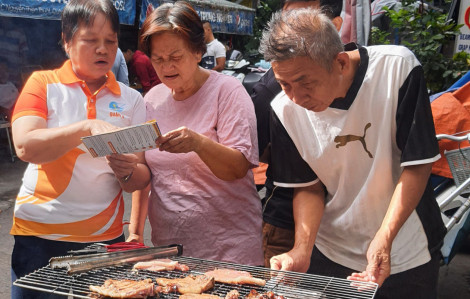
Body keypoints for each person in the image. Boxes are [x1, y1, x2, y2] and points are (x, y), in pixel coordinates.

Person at [258, 8, 446, 298]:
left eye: (305, 83)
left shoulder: (396, 69)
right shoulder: (283, 109)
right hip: (332, 250)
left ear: (341, 62)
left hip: (408, 247)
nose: (295, 97)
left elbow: (417, 164)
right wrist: (301, 250)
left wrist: (384, 238)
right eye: (284, 84)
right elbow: (308, 187)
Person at [9, 1, 150, 298]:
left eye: (110, 41)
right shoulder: (43, 85)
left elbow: (140, 177)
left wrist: (127, 172)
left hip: (104, 239)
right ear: (67, 41)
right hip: (40, 235)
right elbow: (24, 146)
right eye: (90, 40)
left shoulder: (132, 100)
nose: (103, 49)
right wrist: (86, 128)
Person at [128, 0, 263, 265]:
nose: (166, 67)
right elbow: (145, 175)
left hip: (229, 251)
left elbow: (238, 167)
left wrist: (198, 144)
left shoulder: (227, 92)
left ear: (198, 52)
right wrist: (134, 231)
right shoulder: (152, 99)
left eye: (175, 57)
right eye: (158, 60)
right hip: (169, 249)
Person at [251, 0, 343, 267]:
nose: (297, 96)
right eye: (288, 18)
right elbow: (253, 148)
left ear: (334, 25)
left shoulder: (368, 77)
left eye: (308, 18)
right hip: (287, 222)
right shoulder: (275, 92)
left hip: (346, 229)